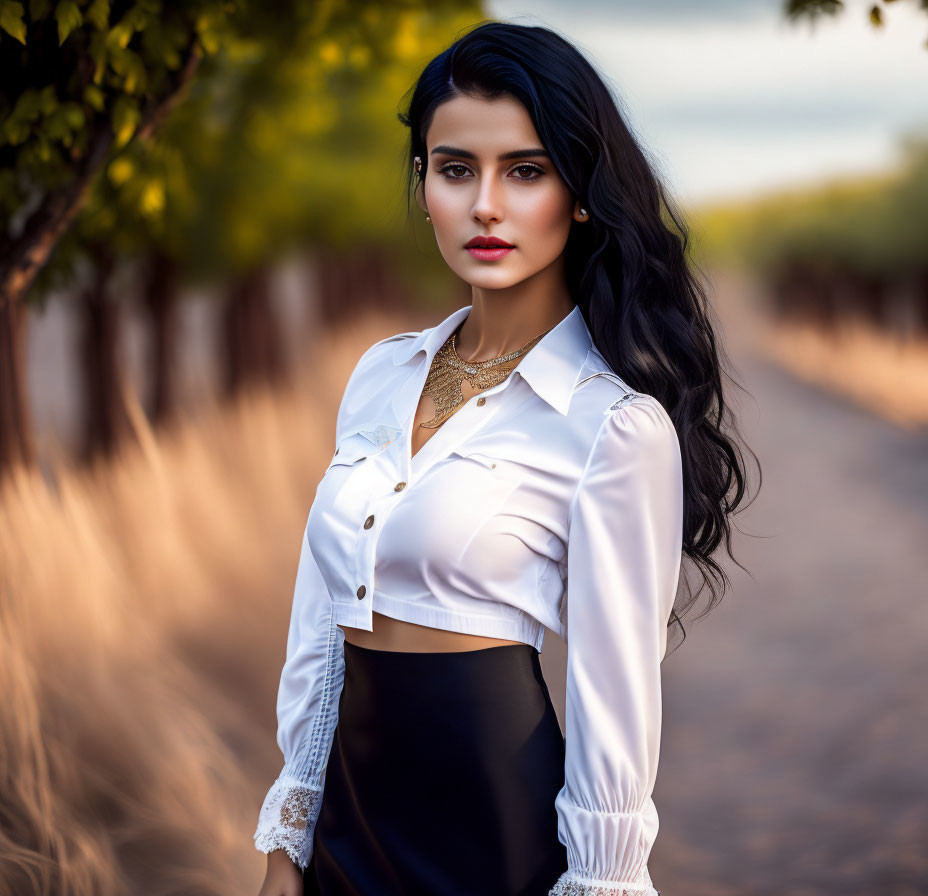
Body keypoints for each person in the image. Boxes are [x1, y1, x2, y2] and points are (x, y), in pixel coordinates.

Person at [255, 19, 750, 896]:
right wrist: (288, 839)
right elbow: (323, 623)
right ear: (423, 187)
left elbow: (614, 703)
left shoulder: (615, 427)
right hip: (345, 814)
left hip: (489, 827)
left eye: (525, 171)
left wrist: (598, 881)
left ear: (581, 193)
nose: (485, 204)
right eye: (455, 169)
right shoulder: (379, 374)